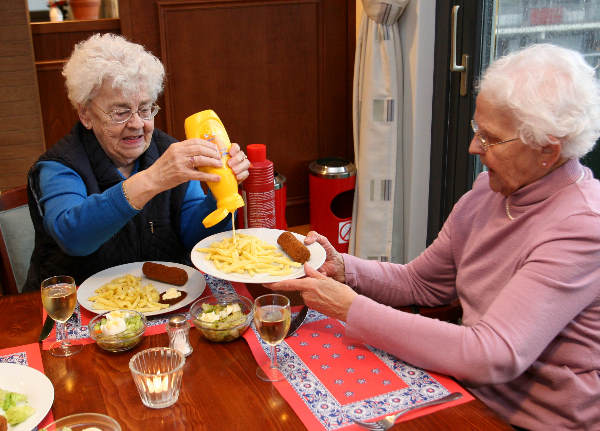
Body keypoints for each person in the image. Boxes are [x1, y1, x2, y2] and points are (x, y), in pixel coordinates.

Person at [268, 44, 600, 430]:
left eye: (491, 139)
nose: (474, 147)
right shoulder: (489, 192)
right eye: (478, 130)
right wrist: (344, 268)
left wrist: (350, 308)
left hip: (525, 421)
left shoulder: (583, 228)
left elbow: (493, 354)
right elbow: (420, 283)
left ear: (547, 150)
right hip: (461, 391)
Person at [24, 33, 250, 292]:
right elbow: (73, 237)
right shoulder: (59, 166)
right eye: (120, 112)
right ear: (85, 114)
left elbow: (195, 237)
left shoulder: (167, 150)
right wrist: (153, 179)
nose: (137, 124)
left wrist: (221, 194)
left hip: (166, 301)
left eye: (145, 109)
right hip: (77, 312)